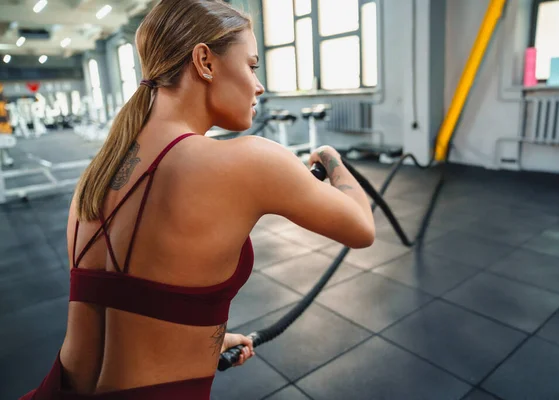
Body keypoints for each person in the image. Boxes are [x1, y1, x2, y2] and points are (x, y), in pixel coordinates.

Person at [21, 0, 375, 398]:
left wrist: (199, 344)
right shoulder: (249, 160)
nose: (259, 85)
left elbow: (121, 316)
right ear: (205, 61)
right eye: (252, 65)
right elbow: (361, 227)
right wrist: (331, 158)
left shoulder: (97, 175)